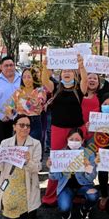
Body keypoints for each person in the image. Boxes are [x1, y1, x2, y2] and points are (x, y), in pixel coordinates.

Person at [41, 54, 88, 205]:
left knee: (76, 162)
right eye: (64, 71)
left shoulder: (79, 89)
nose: (66, 73)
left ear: (74, 74)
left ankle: (75, 193)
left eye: (70, 71)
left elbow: (85, 82)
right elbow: (44, 80)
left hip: (76, 130)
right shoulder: (55, 87)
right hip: (58, 129)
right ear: (60, 74)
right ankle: (51, 196)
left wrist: (81, 66)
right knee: (57, 162)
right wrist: (46, 66)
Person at [0, 115, 42, 219]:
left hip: (27, 183)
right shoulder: (5, 143)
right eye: (21, 125)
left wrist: (28, 161)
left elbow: (37, 168)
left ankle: (29, 212)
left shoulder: (36, 144)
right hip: (10, 182)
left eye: (27, 126)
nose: (25, 128)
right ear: (14, 127)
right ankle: (9, 209)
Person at [46, 128, 98, 219]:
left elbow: (92, 178)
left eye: (77, 140)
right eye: (72, 139)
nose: (74, 142)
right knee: (64, 209)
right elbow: (54, 177)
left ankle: (85, 210)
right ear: (67, 139)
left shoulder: (89, 154)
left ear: (82, 141)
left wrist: (88, 167)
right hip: (66, 187)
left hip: (84, 185)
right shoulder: (60, 154)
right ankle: (67, 210)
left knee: (93, 195)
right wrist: (51, 167)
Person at [0, 56, 22, 147]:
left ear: (14, 66)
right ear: (1, 67)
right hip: (2, 119)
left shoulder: (22, 79)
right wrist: (0, 115)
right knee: (3, 146)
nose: (9, 67)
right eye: (6, 65)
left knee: (20, 145)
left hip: (21, 118)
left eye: (11, 65)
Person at [10, 68, 47, 141]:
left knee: (34, 147)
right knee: (20, 148)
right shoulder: (18, 91)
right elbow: (11, 106)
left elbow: (36, 105)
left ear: (34, 78)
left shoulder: (40, 91)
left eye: (29, 77)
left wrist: (25, 97)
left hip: (34, 122)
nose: (26, 79)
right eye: (24, 77)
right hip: (20, 122)